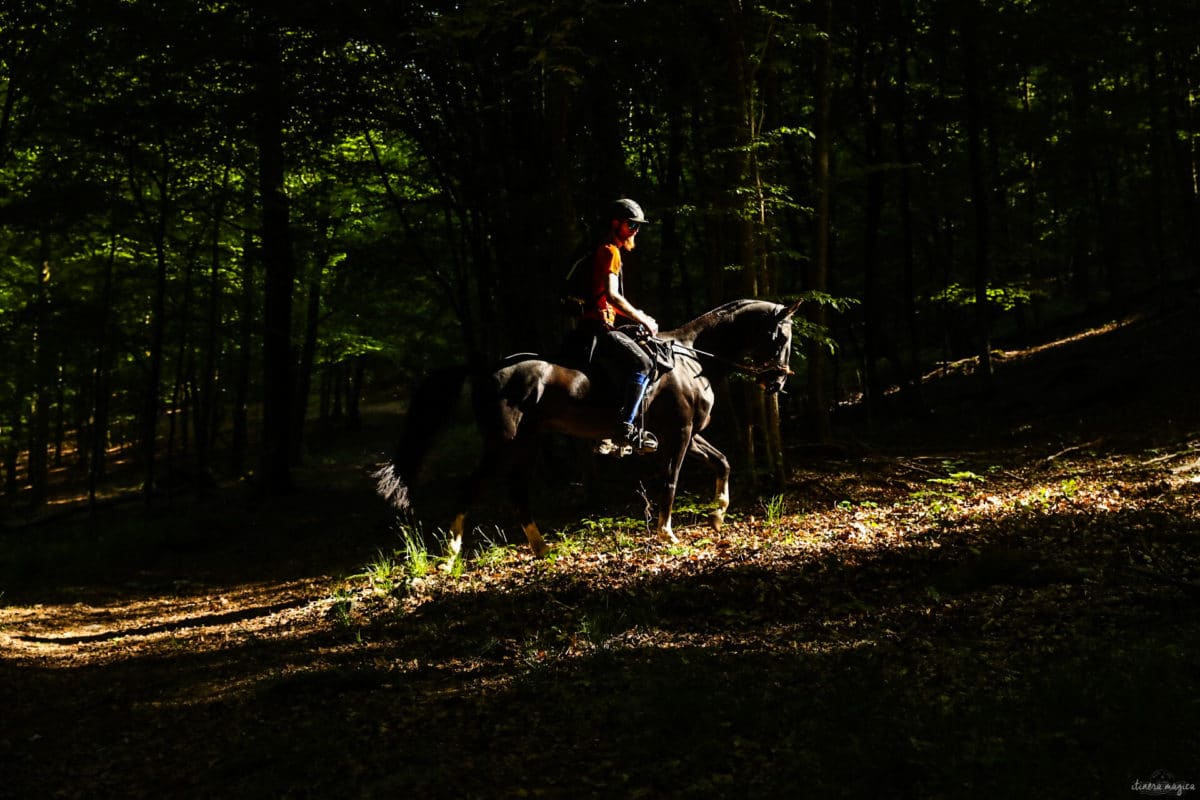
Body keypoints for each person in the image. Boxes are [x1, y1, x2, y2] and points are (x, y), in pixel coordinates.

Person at [581, 198, 659, 452]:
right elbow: (613, 296)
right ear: (616, 223)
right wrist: (643, 318)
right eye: (631, 224)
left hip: (597, 325)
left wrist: (638, 317)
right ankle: (626, 428)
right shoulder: (610, 251)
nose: (635, 230)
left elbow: (606, 299)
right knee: (644, 364)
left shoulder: (600, 249)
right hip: (599, 328)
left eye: (638, 226)